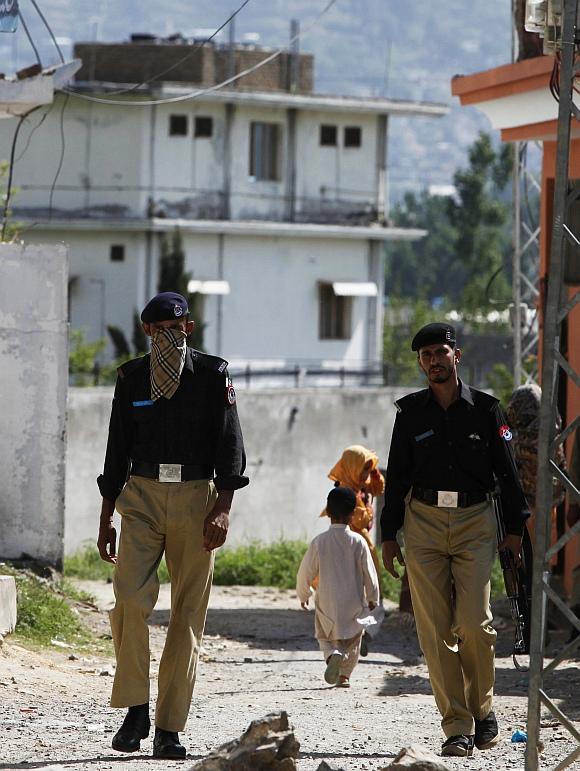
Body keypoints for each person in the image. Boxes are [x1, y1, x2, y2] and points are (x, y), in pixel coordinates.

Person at [96, 291, 248, 759]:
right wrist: (106, 516)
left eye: (175, 326)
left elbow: (230, 444)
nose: (168, 334)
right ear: (146, 331)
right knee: (128, 601)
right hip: (139, 495)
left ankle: (167, 728)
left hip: (195, 498)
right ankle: (136, 708)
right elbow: (116, 447)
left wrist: (222, 507)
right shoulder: (132, 378)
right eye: (159, 327)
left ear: (190, 327)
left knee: (186, 615)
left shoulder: (211, 376)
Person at [380, 323, 529, 758]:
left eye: (440, 352)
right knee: (434, 630)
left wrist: (517, 529)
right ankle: (457, 727)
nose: (433, 361)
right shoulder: (410, 413)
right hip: (423, 521)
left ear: (456, 355)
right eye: (425, 355)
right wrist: (390, 535)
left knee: (474, 623)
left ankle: (483, 710)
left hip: (474, 521)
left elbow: (508, 472)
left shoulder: (486, 410)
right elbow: (398, 477)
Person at [298, 486, 380, 688]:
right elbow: (370, 573)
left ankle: (331, 655)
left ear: (327, 511)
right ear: (353, 514)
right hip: (353, 603)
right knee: (353, 639)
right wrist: (373, 597)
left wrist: (304, 593)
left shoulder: (320, 542)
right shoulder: (358, 541)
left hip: (327, 602)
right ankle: (344, 675)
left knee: (324, 636)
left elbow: (305, 572)